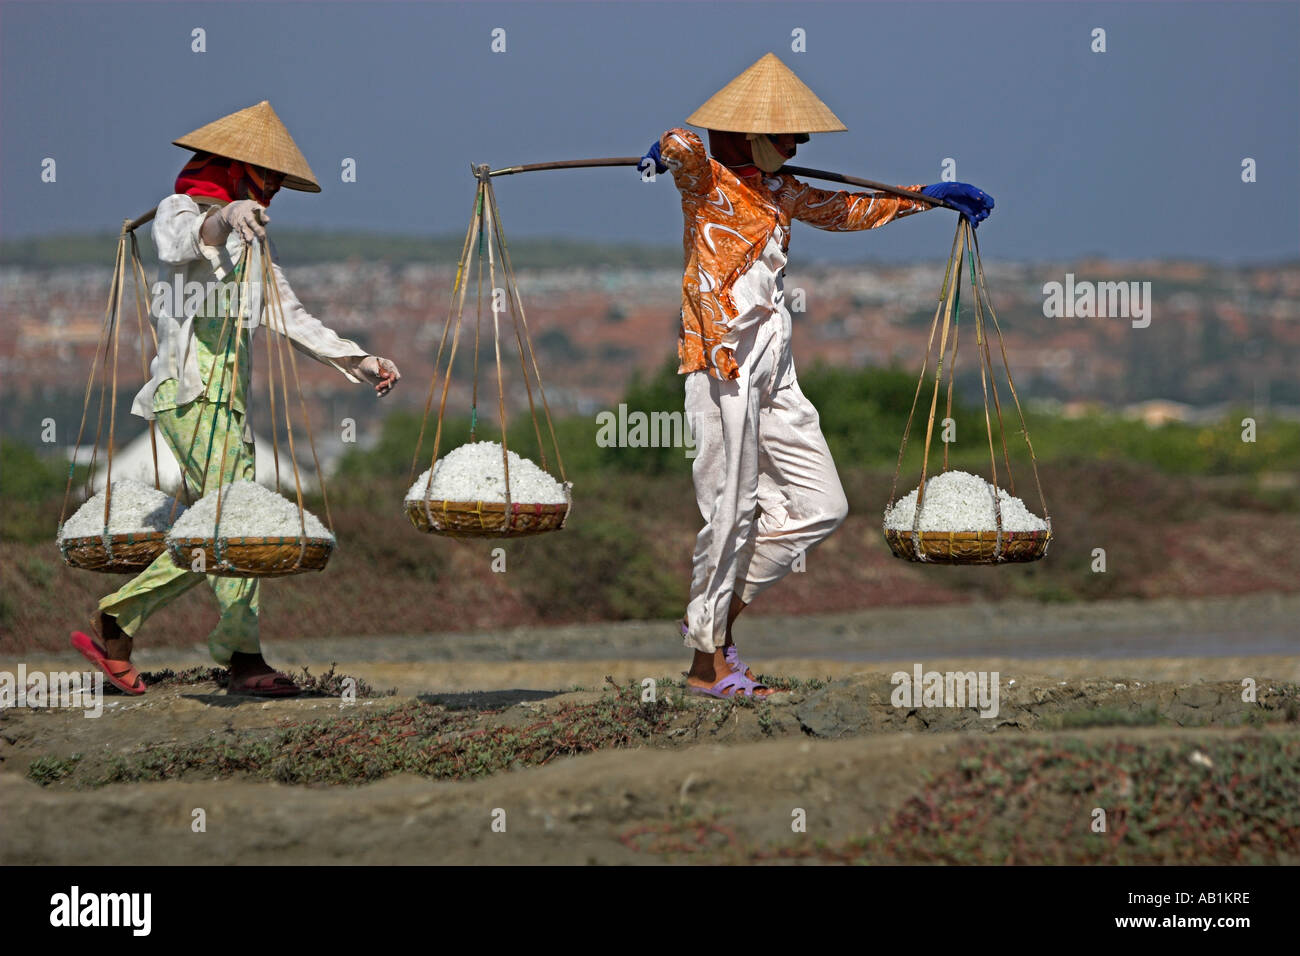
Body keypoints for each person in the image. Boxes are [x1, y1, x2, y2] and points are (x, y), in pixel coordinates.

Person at [639, 54, 994, 698]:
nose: (797, 146)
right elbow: (682, 143)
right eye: (786, 137)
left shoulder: (781, 191)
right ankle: (706, 666)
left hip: (775, 367)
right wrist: (663, 153)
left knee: (822, 505)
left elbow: (846, 212)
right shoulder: (707, 183)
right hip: (725, 365)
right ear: (750, 137)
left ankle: (711, 628)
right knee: (731, 509)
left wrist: (923, 199)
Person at [70, 101, 401, 698]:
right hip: (188, 396)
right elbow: (179, 243)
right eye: (262, 182)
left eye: (273, 186)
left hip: (230, 408)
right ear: (234, 170)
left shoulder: (254, 251)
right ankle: (240, 657)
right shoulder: (183, 209)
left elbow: (291, 318)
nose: (269, 194)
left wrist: (359, 359)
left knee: (221, 523)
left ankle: (120, 621)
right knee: (232, 519)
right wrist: (225, 216)